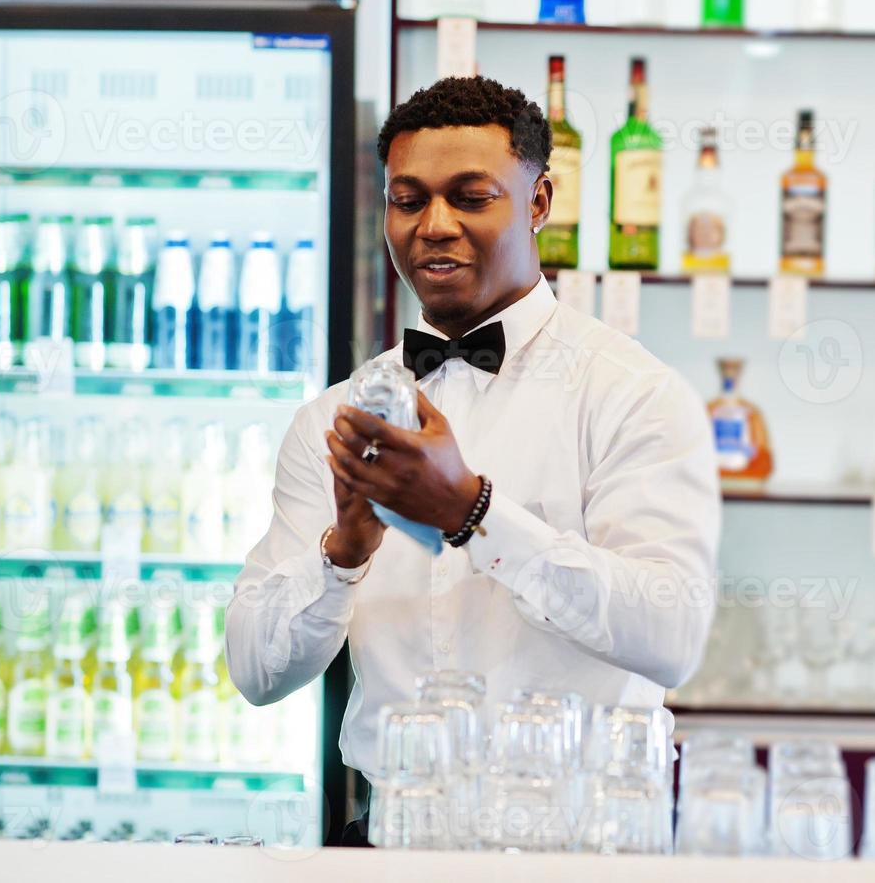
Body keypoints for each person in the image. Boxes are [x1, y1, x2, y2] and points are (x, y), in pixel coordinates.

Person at [225, 75, 721, 840]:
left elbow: (671, 637)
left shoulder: (632, 394)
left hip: (584, 844)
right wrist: (343, 552)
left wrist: (472, 513)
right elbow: (258, 673)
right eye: (409, 199)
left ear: (539, 201)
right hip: (395, 838)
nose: (435, 224)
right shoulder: (333, 419)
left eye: (471, 195)